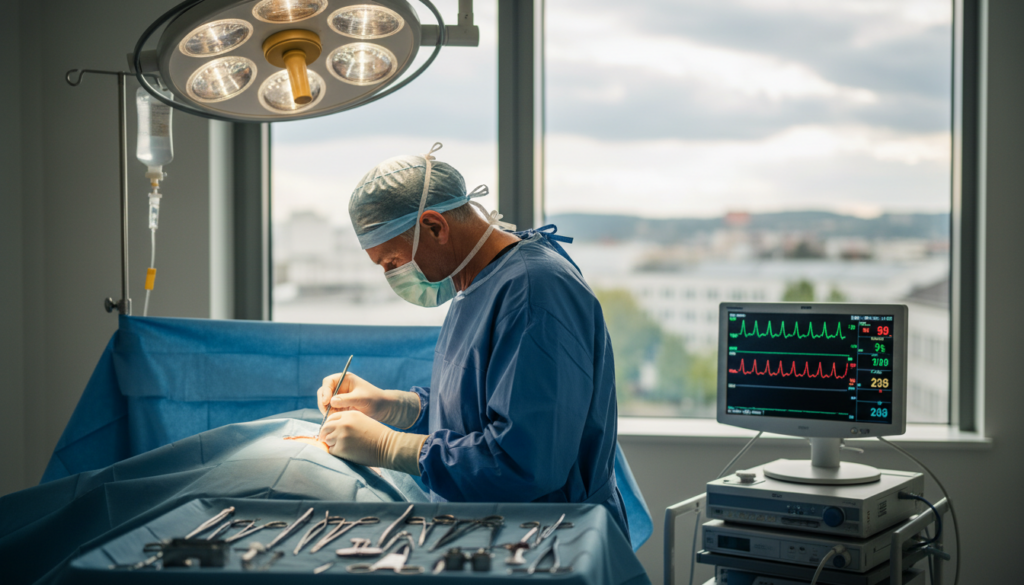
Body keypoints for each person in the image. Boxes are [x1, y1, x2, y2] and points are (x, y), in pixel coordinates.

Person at [315, 143, 629, 540]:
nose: (392, 276)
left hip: (551, 541)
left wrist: (392, 447)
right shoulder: (476, 283)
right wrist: (394, 406)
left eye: (392, 262)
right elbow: (480, 406)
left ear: (434, 227)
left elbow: (526, 460)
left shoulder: (535, 293)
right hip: (499, 533)